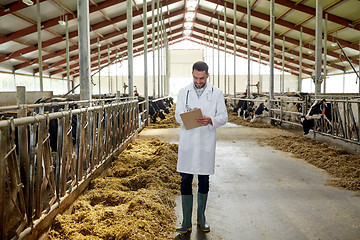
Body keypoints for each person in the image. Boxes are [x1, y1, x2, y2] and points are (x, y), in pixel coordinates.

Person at [174, 61, 228, 233]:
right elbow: (177, 117)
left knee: (204, 180)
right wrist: (190, 116)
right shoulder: (184, 92)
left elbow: (224, 117)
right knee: (185, 180)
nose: (198, 81)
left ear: (207, 75)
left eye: (202, 78)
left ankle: (201, 219)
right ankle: (186, 221)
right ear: (192, 74)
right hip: (188, 143)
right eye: (196, 78)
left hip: (206, 141)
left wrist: (210, 120)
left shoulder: (217, 93)